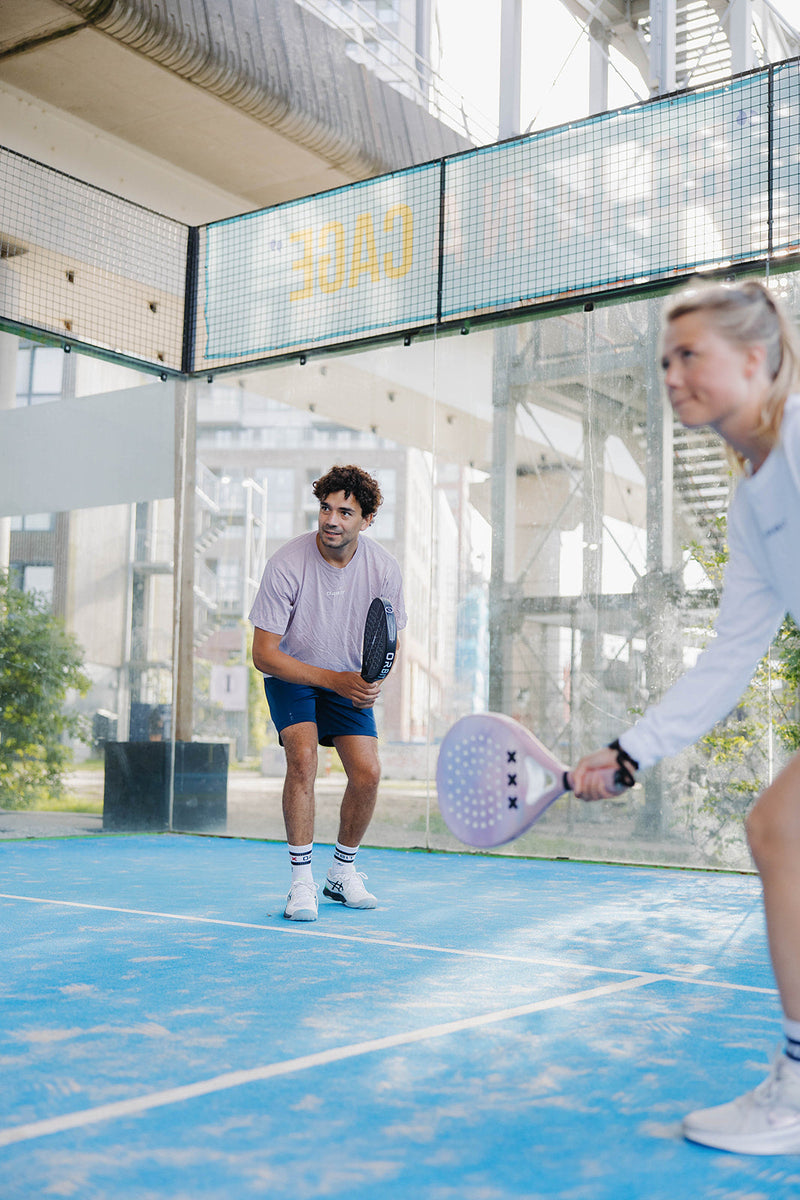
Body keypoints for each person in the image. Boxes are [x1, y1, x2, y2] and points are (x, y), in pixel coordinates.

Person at [571, 278, 800, 1155]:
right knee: (783, 832)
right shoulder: (754, 499)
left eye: (690, 355)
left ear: (755, 360)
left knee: (782, 832)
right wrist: (630, 752)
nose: (671, 374)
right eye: (665, 359)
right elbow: (730, 654)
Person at [249, 464, 406, 923]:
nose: (331, 519)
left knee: (369, 772)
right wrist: (332, 680)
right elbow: (263, 654)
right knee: (302, 760)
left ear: (366, 520)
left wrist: (370, 680)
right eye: (325, 508)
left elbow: (390, 638)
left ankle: (341, 873)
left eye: (345, 511)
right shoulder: (286, 564)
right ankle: (302, 883)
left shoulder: (384, 569)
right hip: (292, 674)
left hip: (345, 677)